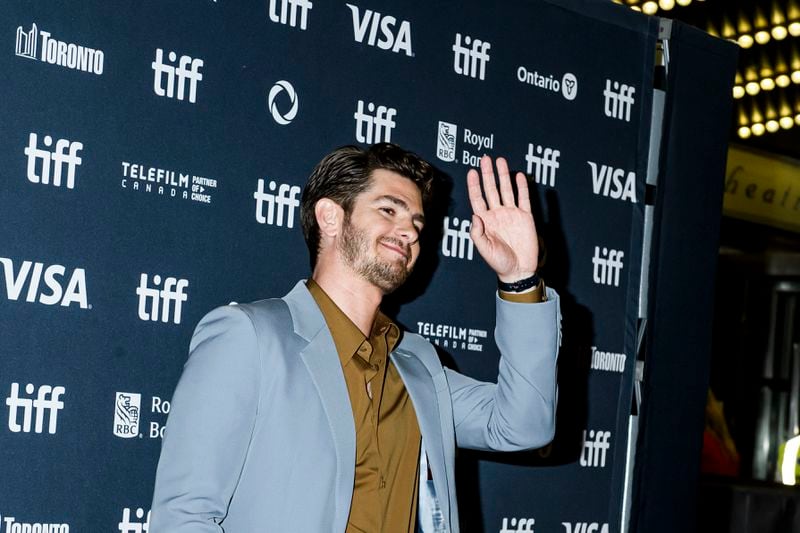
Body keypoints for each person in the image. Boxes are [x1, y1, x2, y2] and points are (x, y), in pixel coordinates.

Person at [149, 143, 561, 533]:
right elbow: (186, 515)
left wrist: (519, 278)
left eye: (417, 223)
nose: (410, 232)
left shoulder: (417, 365)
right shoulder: (250, 338)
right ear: (330, 217)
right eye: (388, 210)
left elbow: (522, 425)